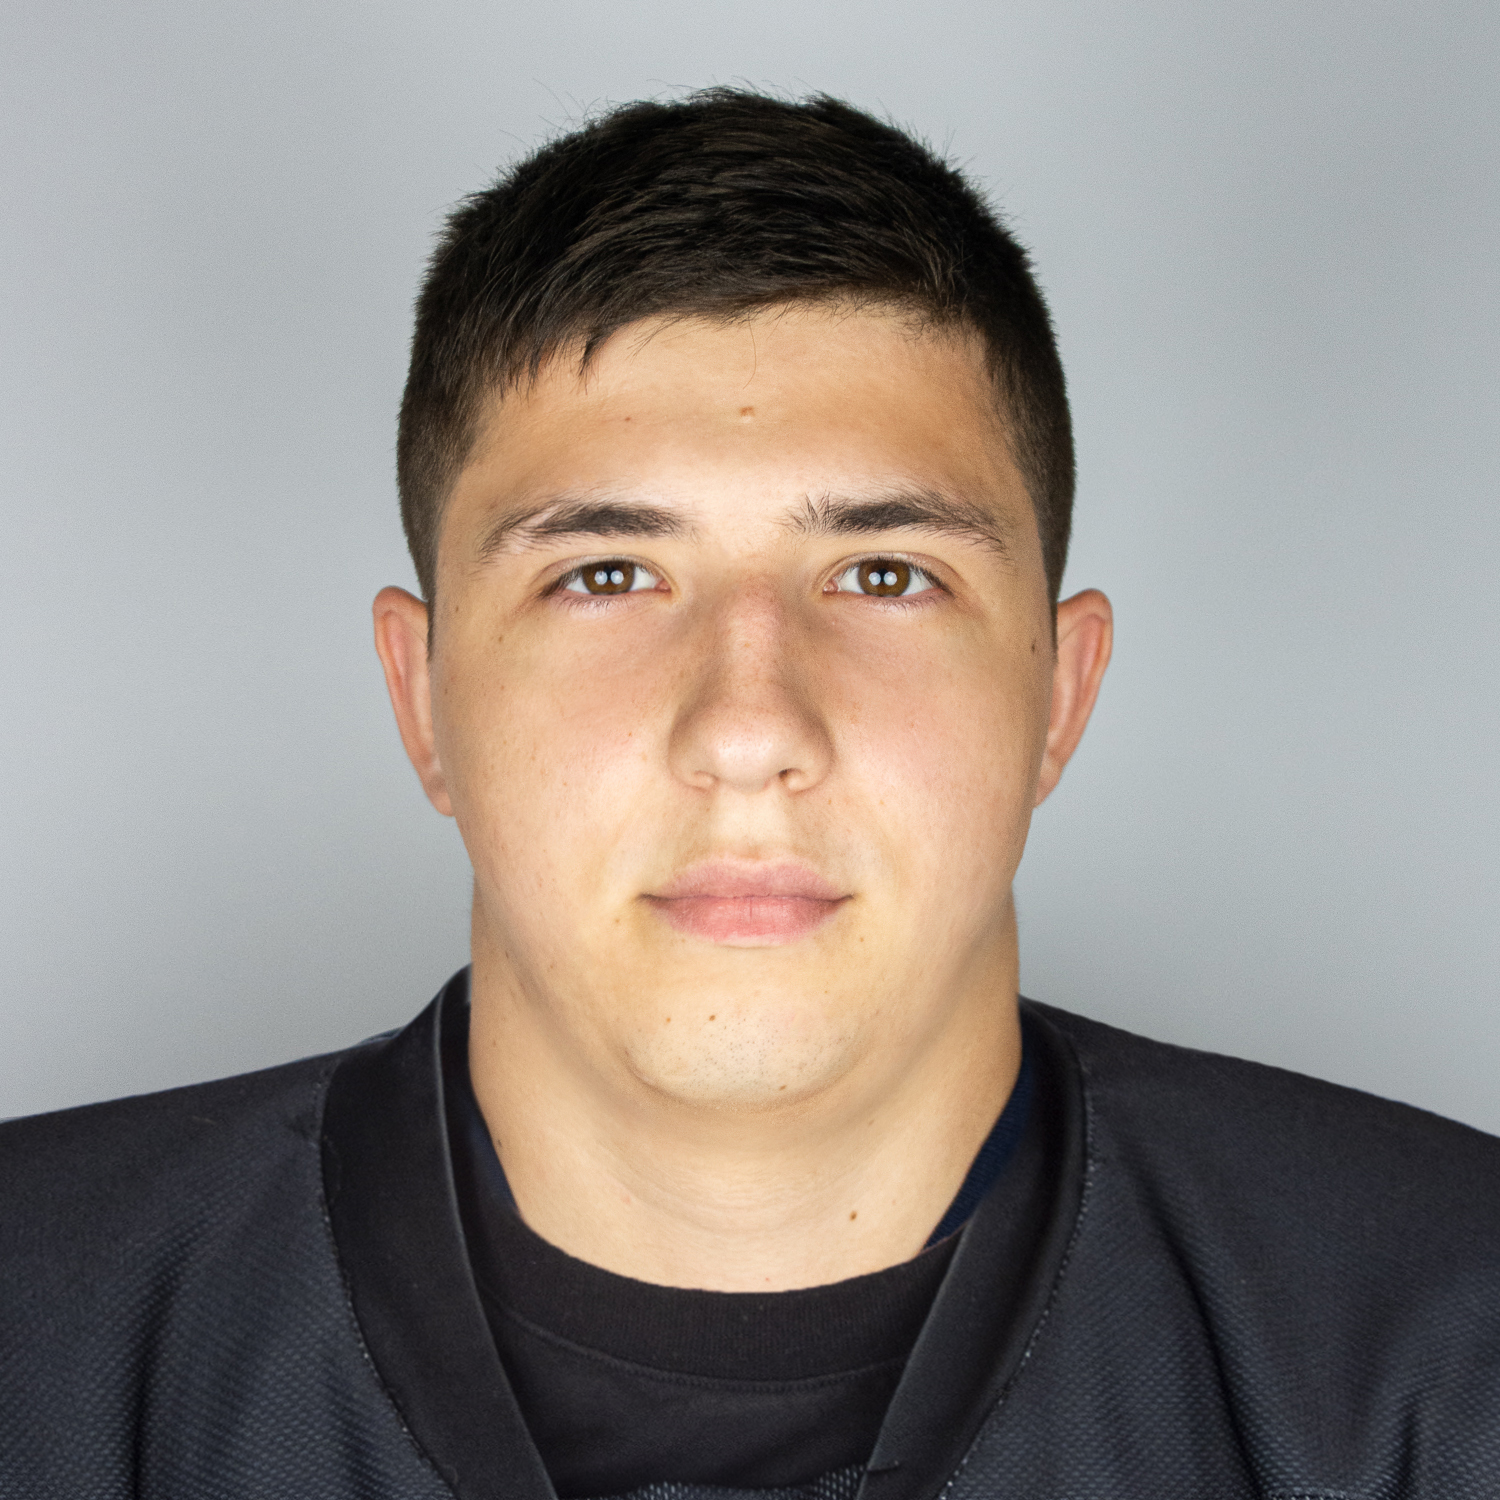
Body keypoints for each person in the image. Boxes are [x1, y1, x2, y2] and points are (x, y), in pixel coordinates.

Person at [1, 88, 1496, 1500]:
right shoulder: (35, 1334)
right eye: (606, 575)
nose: (747, 729)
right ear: (423, 695)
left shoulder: (1446, 1333)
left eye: (884, 574)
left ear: (1061, 693)